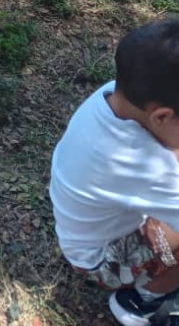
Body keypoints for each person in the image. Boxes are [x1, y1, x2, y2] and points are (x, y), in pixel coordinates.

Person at [49, 19, 179, 326]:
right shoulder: (144, 163)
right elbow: (158, 166)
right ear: (161, 116)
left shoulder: (113, 95)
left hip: (81, 234)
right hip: (101, 261)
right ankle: (146, 301)